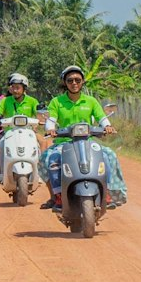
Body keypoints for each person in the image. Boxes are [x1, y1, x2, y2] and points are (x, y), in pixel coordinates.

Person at [41, 64, 128, 208]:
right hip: (64, 143)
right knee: (51, 159)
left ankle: (107, 192)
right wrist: (50, 129)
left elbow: (101, 117)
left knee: (108, 155)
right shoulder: (56, 102)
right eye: (70, 80)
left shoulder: (91, 101)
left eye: (77, 80)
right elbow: (51, 120)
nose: (74, 83)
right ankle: (57, 195)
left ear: (82, 82)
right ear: (64, 82)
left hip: (87, 142)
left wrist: (107, 126)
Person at [0, 73, 40, 182]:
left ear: (24, 88)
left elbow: (39, 114)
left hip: (28, 133)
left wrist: (41, 120)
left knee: (43, 141)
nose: (15, 90)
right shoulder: (5, 100)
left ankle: (39, 172)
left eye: (18, 88)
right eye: (13, 87)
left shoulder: (32, 101)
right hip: (8, 134)